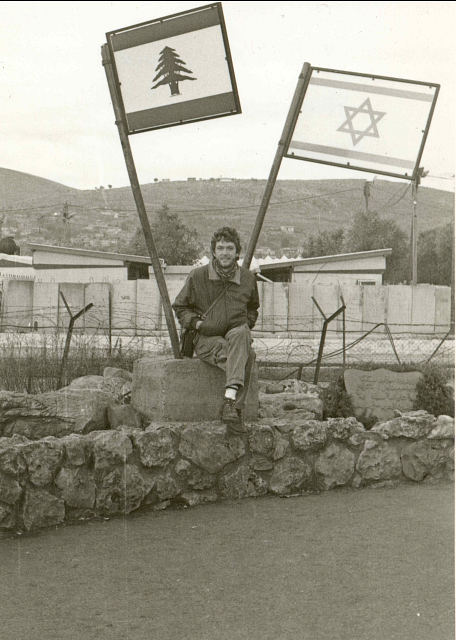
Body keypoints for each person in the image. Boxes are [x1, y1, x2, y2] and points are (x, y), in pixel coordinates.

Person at [173, 226, 260, 434]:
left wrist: (247, 322)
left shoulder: (248, 279)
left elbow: (253, 308)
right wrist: (197, 324)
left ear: (237, 252)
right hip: (206, 339)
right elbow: (180, 307)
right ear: (213, 251)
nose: (225, 253)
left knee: (242, 333)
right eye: (220, 248)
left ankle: (229, 402)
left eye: (229, 248)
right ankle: (235, 409)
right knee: (248, 356)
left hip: (235, 335)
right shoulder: (198, 276)